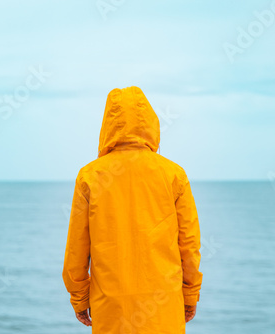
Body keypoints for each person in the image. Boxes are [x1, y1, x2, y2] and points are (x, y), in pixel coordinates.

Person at [62, 86, 203, 333]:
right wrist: (190, 295)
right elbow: (189, 244)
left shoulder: (90, 177)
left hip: (111, 308)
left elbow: (77, 248)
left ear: (107, 125)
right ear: (150, 122)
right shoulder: (173, 175)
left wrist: (80, 298)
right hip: (163, 308)